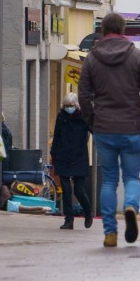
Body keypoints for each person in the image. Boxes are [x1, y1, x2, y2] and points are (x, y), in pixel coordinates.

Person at [78, 12, 140, 248]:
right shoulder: (138, 57)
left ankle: (110, 233)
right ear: (124, 30)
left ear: (103, 30)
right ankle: (131, 205)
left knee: (109, 181)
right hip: (131, 127)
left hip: (104, 128)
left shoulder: (92, 58)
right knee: (132, 176)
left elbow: (83, 95)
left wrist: (91, 121)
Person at [50, 92, 94, 230]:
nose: (68, 108)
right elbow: (56, 136)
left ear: (76, 105)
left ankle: (88, 213)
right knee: (66, 190)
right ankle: (69, 220)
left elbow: (95, 130)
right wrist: (53, 154)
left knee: (79, 190)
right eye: (66, 106)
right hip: (63, 156)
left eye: (71, 106)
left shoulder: (84, 117)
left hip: (79, 157)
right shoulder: (61, 116)